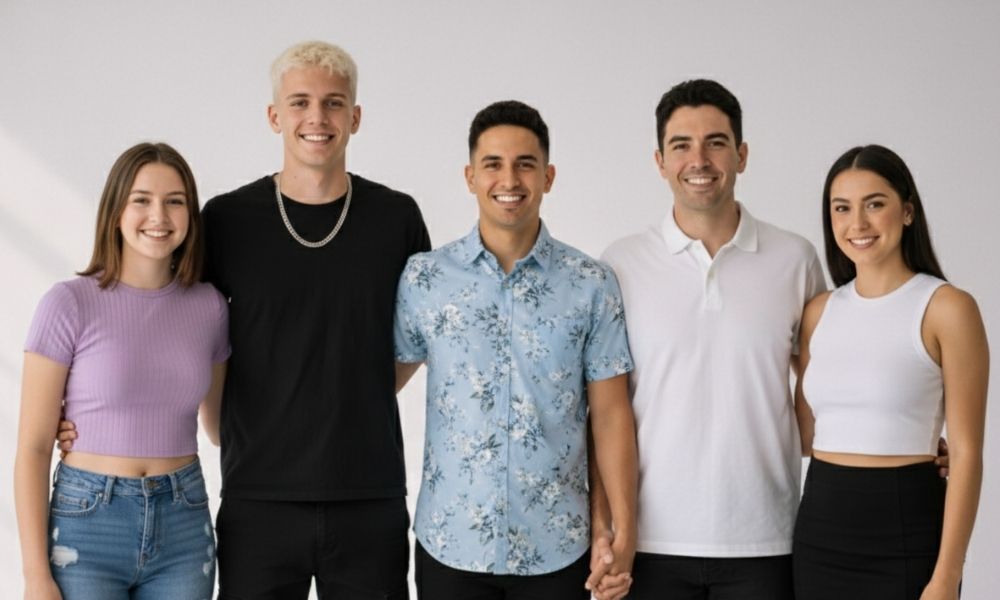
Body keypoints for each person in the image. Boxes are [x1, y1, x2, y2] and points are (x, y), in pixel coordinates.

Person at [201, 41, 429, 598]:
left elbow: (418, 336)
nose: (316, 118)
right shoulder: (228, 219)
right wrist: (219, 425)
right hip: (258, 495)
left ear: (355, 117)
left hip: (368, 493)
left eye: (333, 103)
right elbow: (196, 335)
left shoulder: (396, 217)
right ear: (275, 116)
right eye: (300, 102)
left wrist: (361, 383)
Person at [393, 100, 638, 600]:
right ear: (469, 176)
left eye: (526, 164)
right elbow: (375, 388)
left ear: (548, 176)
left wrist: (622, 530)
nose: (510, 179)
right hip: (449, 543)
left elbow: (611, 417)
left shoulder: (591, 284)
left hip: (558, 547)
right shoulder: (425, 279)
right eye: (493, 164)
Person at [596, 79, 826, 599]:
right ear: (659, 160)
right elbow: (604, 412)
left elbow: (828, 390)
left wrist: (917, 448)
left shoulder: (795, 259)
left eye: (716, 142)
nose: (698, 159)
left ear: (741, 155)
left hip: (766, 539)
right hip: (650, 542)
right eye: (681, 145)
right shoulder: (620, 264)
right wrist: (608, 528)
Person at [15, 142, 229, 599]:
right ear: (115, 211)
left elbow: (218, 427)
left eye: (175, 202)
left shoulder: (209, 307)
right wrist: (35, 576)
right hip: (87, 525)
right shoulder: (68, 303)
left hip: (184, 522)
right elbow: (32, 447)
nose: (160, 216)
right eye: (142, 200)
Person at [793, 144, 988, 600]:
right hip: (820, 528)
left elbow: (968, 454)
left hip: (906, 532)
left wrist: (946, 577)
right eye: (842, 208)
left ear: (907, 212)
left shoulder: (947, 308)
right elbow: (808, 433)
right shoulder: (819, 312)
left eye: (874, 204)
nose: (857, 224)